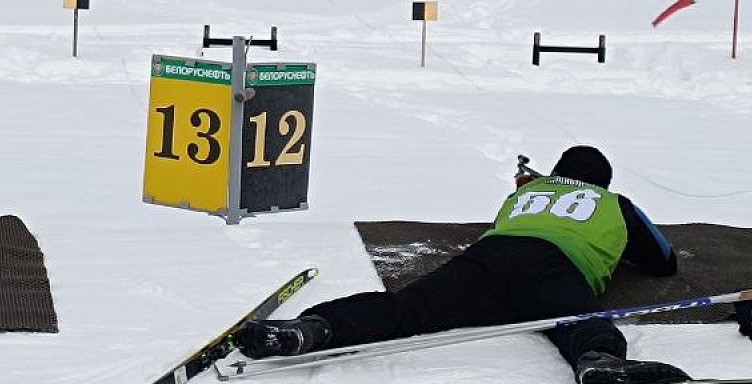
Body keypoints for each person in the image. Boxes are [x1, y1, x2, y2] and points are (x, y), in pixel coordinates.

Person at [236, 145, 691, 384]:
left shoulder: (526, 193)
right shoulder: (614, 202)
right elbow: (663, 262)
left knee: (407, 308)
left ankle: (311, 329)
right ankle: (600, 363)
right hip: (558, 268)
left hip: (489, 260)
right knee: (584, 323)